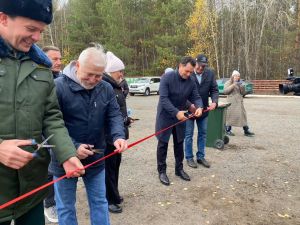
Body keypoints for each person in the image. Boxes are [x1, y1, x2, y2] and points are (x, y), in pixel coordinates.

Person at [0, 1, 84, 225]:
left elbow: (51, 117)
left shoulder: (41, 67)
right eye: (30, 29)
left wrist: (67, 154)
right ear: (3, 19)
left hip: (32, 189)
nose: (37, 37)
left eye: (41, 31)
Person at [49, 46, 127, 225]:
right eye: (89, 74)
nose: (93, 80)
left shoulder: (106, 88)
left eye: (98, 75)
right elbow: (52, 124)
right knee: (66, 206)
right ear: (77, 65)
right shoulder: (58, 87)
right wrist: (73, 147)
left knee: (100, 202)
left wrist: (118, 136)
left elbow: (114, 114)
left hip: (96, 156)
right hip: (64, 159)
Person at [155, 56, 203, 186]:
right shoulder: (167, 78)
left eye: (190, 72)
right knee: (162, 144)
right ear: (180, 66)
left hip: (181, 117)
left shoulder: (191, 81)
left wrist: (199, 107)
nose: (188, 74)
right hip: (166, 116)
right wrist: (176, 112)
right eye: (186, 71)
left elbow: (196, 97)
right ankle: (162, 171)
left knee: (179, 143)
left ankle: (179, 169)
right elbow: (163, 99)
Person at [103, 51, 131, 213]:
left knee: (115, 167)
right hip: (108, 138)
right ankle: (109, 199)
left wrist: (126, 119)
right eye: (119, 71)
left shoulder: (116, 86)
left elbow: (118, 111)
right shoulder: (106, 86)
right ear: (110, 71)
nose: (122, 74)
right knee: (109, 170)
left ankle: (114, 194)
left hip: (117, 136)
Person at [184, 54, 219, 169]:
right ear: (195, 63)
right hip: (190, 110)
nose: (200, 69)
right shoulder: (188, 73)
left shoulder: (210, 74)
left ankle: (201, 156)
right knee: (188, 135)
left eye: (203, 67)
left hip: (203, 110)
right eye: (199, 66)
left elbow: (214, 90)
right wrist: (190, 105)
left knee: (202, 134)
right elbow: (182, 92)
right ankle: (189, 157)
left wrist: (214, 102)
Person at [41, 45, 63, 223]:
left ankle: (53, 200)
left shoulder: (62, 78)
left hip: (58, 130)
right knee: (48, 169)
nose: (59, 62)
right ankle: (49, 204)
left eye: (60, 59)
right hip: (42, 133)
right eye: (54, 59)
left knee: (55, 166)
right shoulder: (40, 78)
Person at [224, 70, 255, 136]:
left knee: (243, 116)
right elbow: (225, 91)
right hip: (231, 103)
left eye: (238, 76)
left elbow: (243, 93)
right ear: (233, 76)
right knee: (230, 117)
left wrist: (242, 87)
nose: (237, 77)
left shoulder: (239, 83)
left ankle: (246, 130)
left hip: (239, 103)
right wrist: (233, 85)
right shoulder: (228, 82)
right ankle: (227, 130)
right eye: (236, 76)